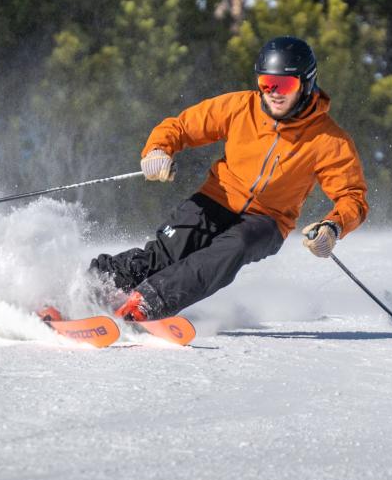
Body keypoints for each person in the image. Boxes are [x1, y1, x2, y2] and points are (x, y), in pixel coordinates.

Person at [90, 36, 369, 322]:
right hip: (216, 198)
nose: (274, 93)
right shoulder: (240, 107)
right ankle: (95, 284)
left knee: (233, 247)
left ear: (306, 84)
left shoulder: (328, 139)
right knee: (169, 251)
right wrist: (158, 150)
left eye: (285, 85)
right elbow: (182, 126)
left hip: (267, 221)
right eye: (266, 83)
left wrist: (332, 228)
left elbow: (353, 198)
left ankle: (149, 302)